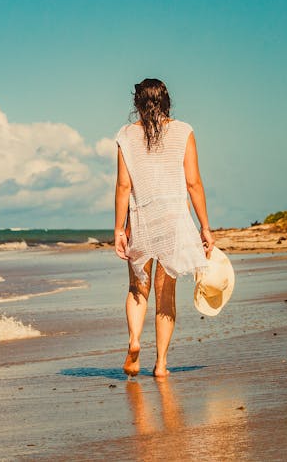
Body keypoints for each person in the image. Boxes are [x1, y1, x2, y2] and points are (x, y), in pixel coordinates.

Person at [114, 78, 214, 378]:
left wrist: (120, 229)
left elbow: (123, 186)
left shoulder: (126, 135)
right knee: (165, 294)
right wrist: (205, 227)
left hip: (141, 217)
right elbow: (193, 183)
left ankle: (134, 341)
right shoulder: (184, 131)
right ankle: (160, 365)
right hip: (174, 220)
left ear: (137, 103)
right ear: (167, 101)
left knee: (137, 288)